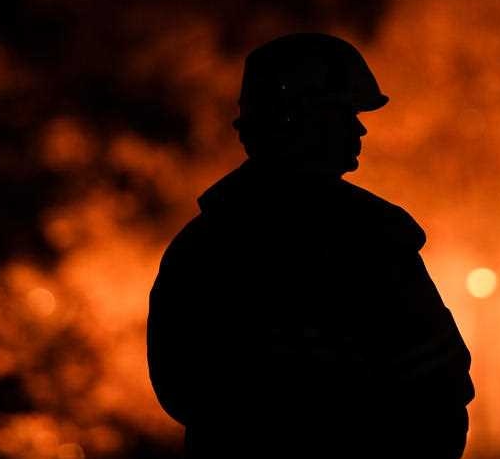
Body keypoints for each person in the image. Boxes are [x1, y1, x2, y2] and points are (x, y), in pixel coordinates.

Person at [147, 33, 474, 458]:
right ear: (298, 119)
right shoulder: (374, 243)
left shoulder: (201, 248)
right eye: (343, 113)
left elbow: (181, 391)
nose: (359, 127)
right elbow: (439, 396)